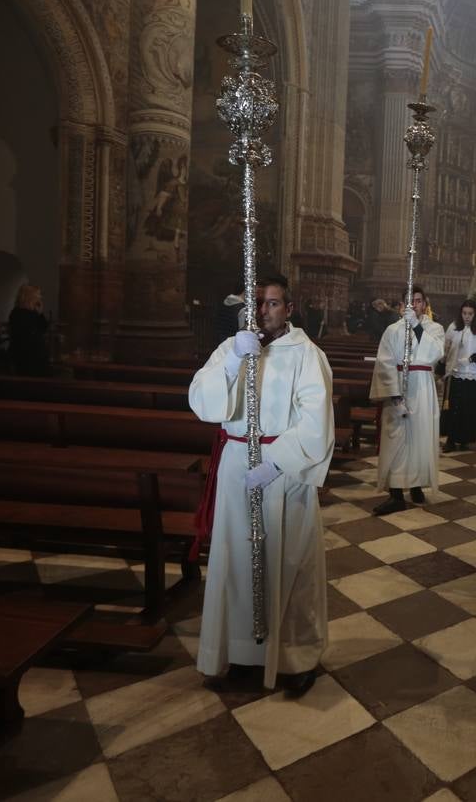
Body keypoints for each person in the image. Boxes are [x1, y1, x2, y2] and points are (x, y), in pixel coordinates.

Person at [188, 274, 334, 697]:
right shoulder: (231, 348)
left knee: (289, 563)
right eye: (258, 304)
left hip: (283, 473)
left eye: (273, 304)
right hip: (236, 468)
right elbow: (202, 402)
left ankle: (295, 657)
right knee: (236, 563)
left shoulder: (307, 355)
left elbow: (317, 421)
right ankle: (238, 653)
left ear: (288, 309)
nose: (264, 312)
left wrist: (274, 464)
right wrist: (234, 360)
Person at [370, 286, 444, 515]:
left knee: (420, 438)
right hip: (399, 388)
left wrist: (417, 326)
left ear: (425, 303)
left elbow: (435, 353)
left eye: (418, 301)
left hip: (422, 388)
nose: (414, 305)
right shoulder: (392, 330)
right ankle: (395, 495)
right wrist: (394, 395)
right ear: (402, 305)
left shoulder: (435, 328)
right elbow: (384, 363)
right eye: (409, 302)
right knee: (396, 440)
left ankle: (416, 485)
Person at [443, 300, 476, 452]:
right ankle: (450, 440)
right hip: (456, 374)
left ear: (475, 314)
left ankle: (465, 440)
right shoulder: (453, 327)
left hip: (473, 375)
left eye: (470, 314)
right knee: (454, 409)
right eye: (464, 313)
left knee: (469, 410)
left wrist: (470, 359)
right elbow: (446, 347)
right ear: (460, 313)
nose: (467, 317)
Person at [8, 284, 50, 376]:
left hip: (37, 357)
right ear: (29, 297)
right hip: (27, 357)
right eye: (38, 295)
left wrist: (40, 313)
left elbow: (44, 328)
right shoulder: (18, 314)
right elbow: (24, 337)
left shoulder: (33, 313)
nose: (40, 298)